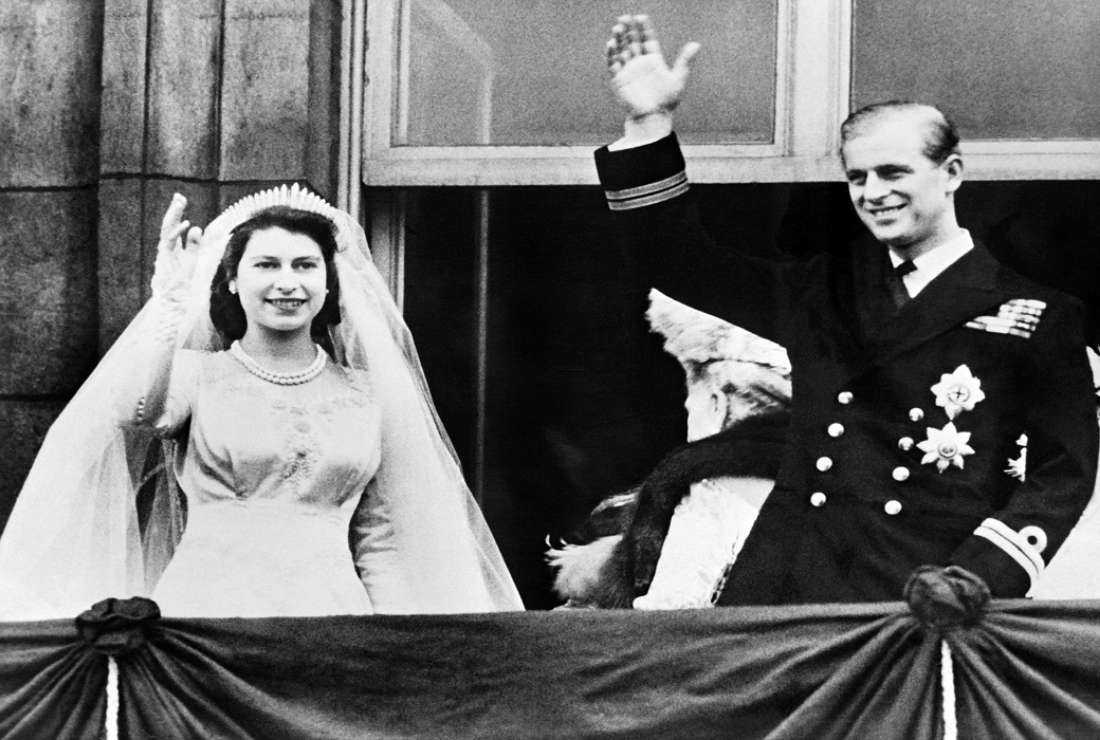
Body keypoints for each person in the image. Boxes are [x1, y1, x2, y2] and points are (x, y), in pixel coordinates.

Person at [593, 16, 1098, 604]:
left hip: (924, 588)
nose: (873, 193)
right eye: (857, 177)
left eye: (893, 172)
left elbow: (1061, 474)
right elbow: (681, 264)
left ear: (952, 173)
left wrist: (977, 578)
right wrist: (650, 124)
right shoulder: (824, 290)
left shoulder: (1035, 313)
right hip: (787, 579)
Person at [0, 185, 523, 618]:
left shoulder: (365, 392)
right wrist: (169, 305)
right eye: (266, 265)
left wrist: (388, 644)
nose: (287, 283)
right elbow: (137, 414)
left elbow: (379, 536)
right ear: (232, 278)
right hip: (209, 615)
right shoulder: (196, 374)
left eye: (305, 266)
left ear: (327, 282)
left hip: (332, 617)